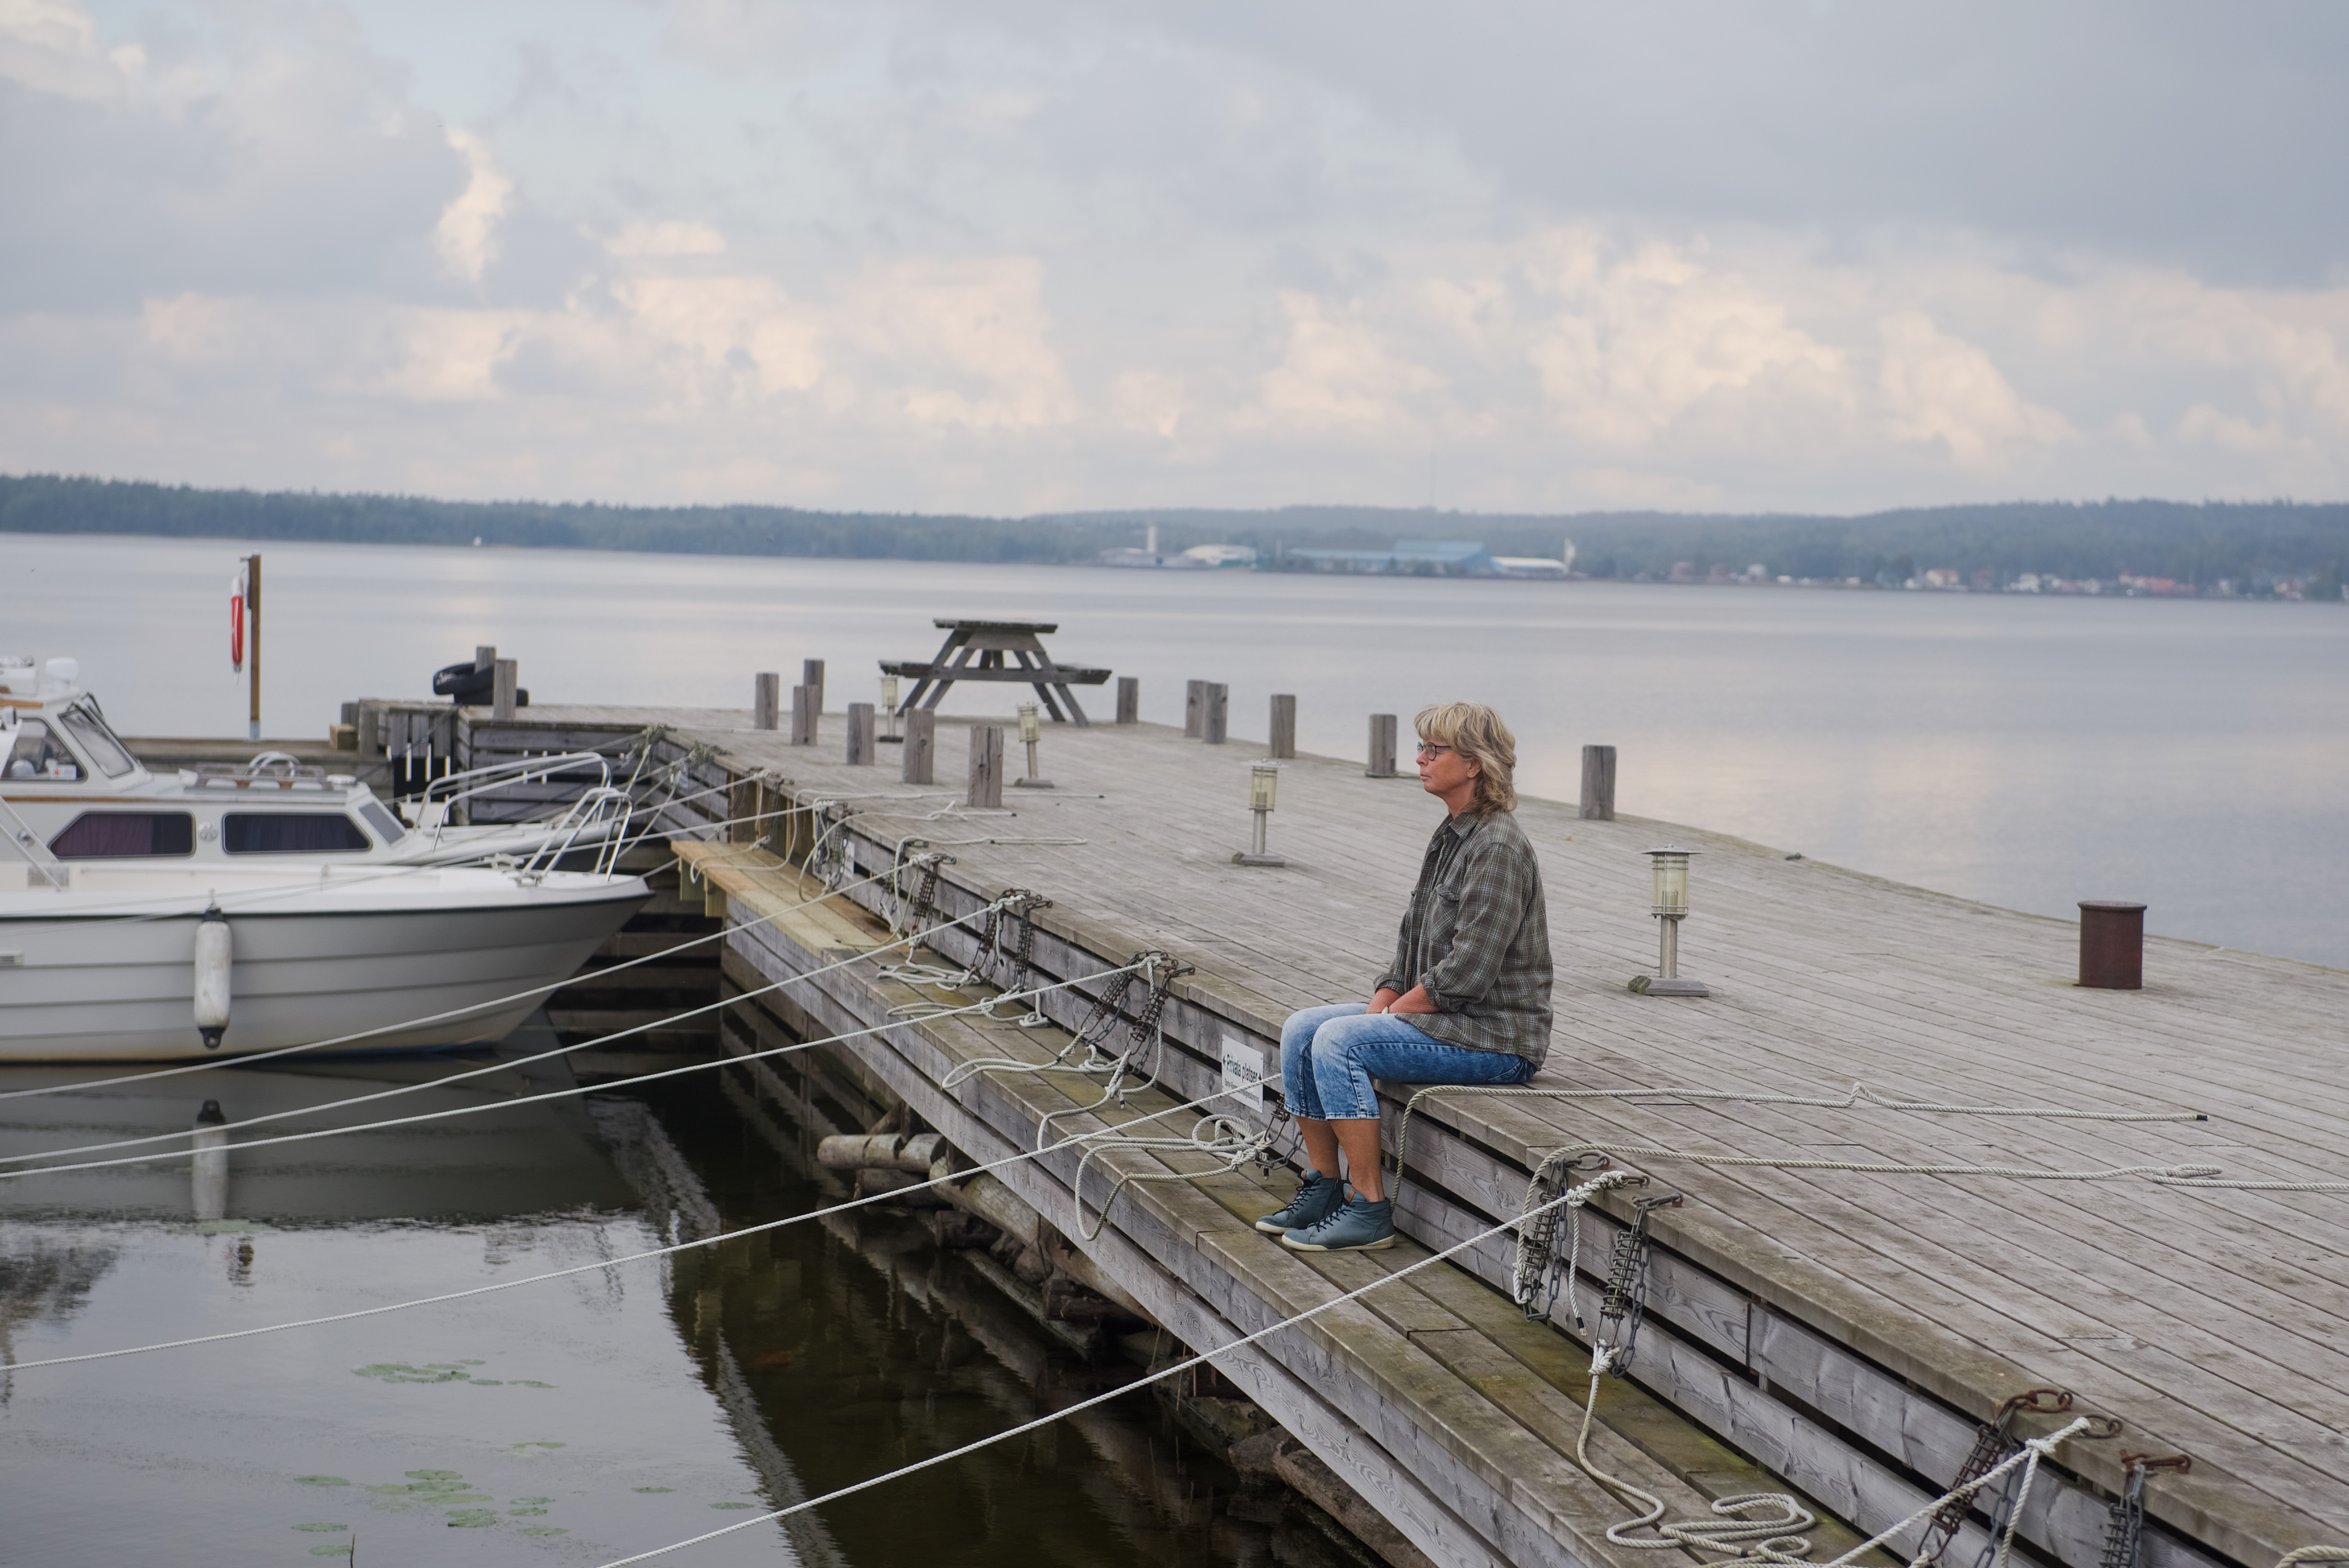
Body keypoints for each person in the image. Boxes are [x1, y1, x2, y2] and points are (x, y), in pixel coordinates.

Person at [1259, 702, 1552, 1252]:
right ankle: (1324, 1186)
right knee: (1304, 1028)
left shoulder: (1498, 848)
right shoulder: (1452, 836)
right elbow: (1409, 946)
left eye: (1433, 750)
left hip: (1493, 1038)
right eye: (1422, 748)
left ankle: (1369, 1209)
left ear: (1473, 765)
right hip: (1447, 1019)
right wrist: (1383, 1000)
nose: (1418, 759)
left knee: (1340, 1042)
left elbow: (1467, 974)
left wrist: (1384, 1020)